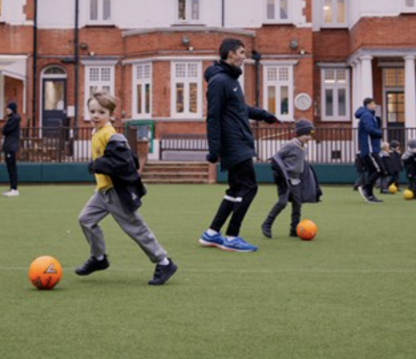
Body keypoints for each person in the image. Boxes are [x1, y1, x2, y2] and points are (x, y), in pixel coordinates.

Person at [76, 91, 177, 285]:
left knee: (136, 228)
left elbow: (125, 163)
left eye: (101, 112)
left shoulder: (112, 135)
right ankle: (99, 258)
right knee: (85, 219)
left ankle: (164, 262)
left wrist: (98, 165)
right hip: (102, 193)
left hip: (116, 193)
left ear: (111, 115)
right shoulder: (96, 132)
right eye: (92, 111)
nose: (95, 115)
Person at [199, 38, 280, 252]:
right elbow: (213, 117)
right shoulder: (219, 81)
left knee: (236, 189)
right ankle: (232, 236)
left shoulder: (230, 80)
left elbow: (240, 108)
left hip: (238, 141)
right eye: (242, 52)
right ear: (230, 53)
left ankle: (212, 233)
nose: (244, 56)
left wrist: (265, 115)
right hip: (234, 144)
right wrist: (213, 150)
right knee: (249, 187)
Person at [261, 119, 317, 239]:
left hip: (296, 180)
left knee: (297, 204)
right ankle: (267, 224)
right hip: (285, 180)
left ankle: (294, 229)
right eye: (306, 135)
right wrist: (281, 174)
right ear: (299, 134)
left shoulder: (304, 148)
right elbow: (276, 158)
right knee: (282, 202)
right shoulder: (290, 145)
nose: (309, 138)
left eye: (310, 135)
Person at [354, 97, 384, 203]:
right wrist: (380, 133)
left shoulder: (369, 115)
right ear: (368, 105)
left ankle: (370, 195)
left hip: (371, 148)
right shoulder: (367, 115)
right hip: (370, 149)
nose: (375, 106)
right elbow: (369, 129)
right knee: (379, 169)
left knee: (373, 170)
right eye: (373, 103)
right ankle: (366, 188)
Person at [2, 101, 21, 197]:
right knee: (10, 168)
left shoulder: (15, 118)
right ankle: (12, 187)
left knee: (12, 168)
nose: (7, 110)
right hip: (9, 146)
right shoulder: (12, 118)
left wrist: (4, 128)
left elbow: (5, 130)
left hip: (11, 146)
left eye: (8, 108)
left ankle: (14, 188)